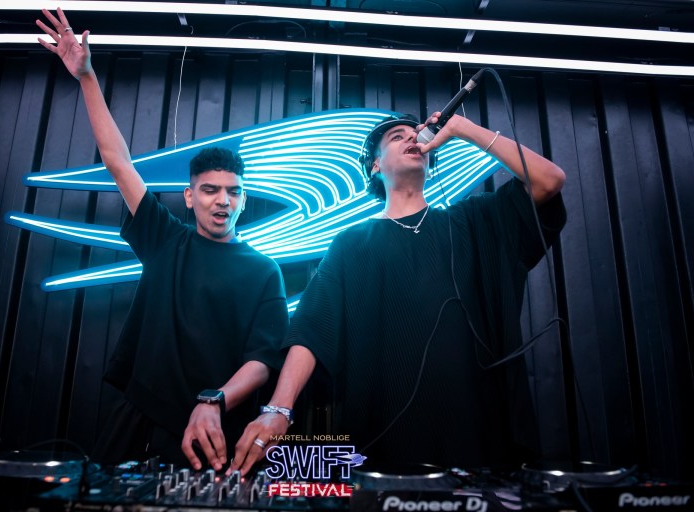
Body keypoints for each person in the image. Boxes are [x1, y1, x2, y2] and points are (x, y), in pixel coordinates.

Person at [229, 111, 567, 475]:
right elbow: (311, 330)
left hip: (476, 439)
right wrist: (278, 410)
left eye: (416, 134)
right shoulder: (351, 243)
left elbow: (549, 180)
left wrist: (465, 129)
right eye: (397, 137)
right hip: (385, 442)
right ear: (375, 166)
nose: (412, 138)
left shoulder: (472, 222)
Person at [36, 8, 288, 471]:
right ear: (189, 197)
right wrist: (87, 77)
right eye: (210, 190)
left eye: (233, 192)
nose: (222, 200)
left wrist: (214, 400)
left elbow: (261, 361)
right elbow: (117, 161)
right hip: (138, 418)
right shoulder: (166, 239)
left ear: (244, 200)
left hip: (213, 428)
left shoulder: (263, 271)